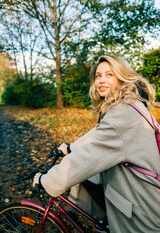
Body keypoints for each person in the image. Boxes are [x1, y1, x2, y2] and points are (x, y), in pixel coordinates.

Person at [33, 55, 160, 233]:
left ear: (122, 77)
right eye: (98, 76)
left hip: (141, 210)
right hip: (142, 191)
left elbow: (84, 159)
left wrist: (46, 180)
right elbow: (99, 133)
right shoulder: (129, 105)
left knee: (84, 171)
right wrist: (70, 148)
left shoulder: (122, 113)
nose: (101, 80)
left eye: (109, 75)